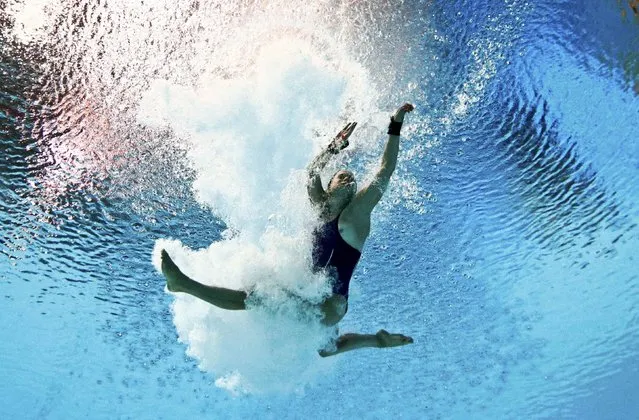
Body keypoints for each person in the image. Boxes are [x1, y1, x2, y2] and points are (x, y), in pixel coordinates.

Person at [160, 103, 415, 357]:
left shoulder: (355, 216)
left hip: (331, 305)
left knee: (256, 299)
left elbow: (385, 170)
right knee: (325, 349)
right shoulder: (321, 211)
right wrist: (333, 147)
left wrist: (395, 124)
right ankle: (377, 340)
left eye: (352, 178)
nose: (350, 178)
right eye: (342, 175)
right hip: (309, 291)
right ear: (329, 188)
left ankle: (184, 285)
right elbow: (312, 172)